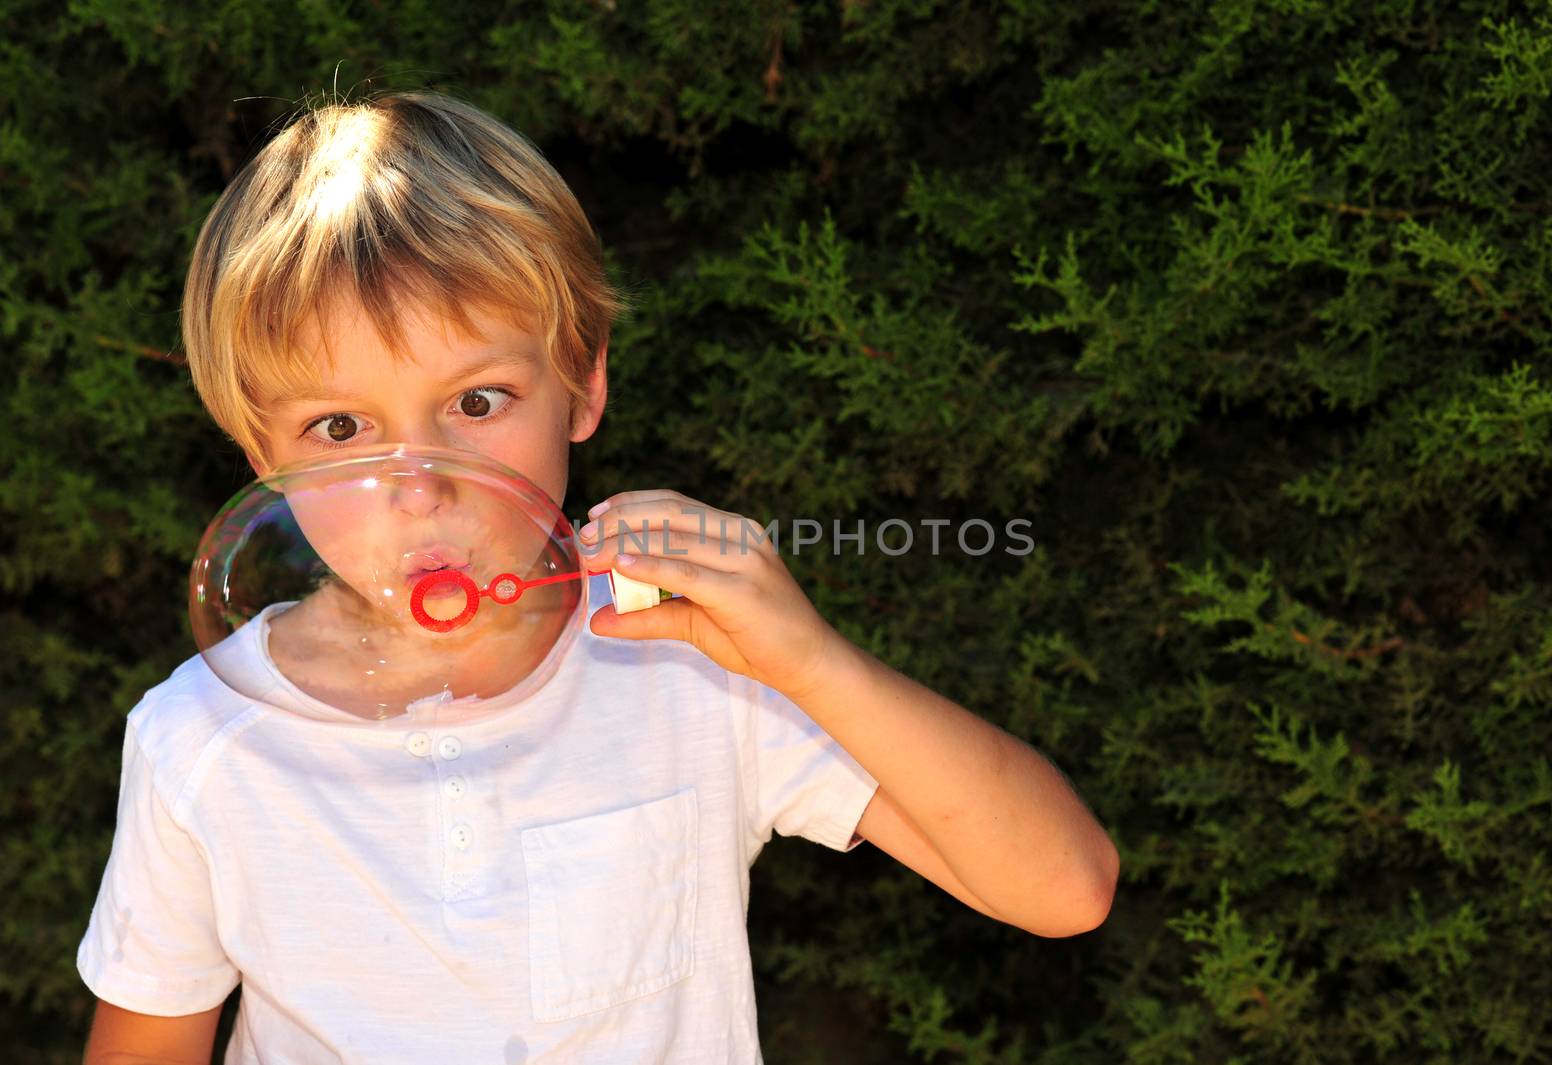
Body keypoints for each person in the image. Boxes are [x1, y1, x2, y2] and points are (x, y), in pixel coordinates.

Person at [78, 90, 1119, 1063]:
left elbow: (1064, 888)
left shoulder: (686, 663)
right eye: (341, 427)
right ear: (260, 454)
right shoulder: (204, 740)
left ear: (583, 386)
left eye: (478, 402)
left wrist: (805, 661)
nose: (421, 484)